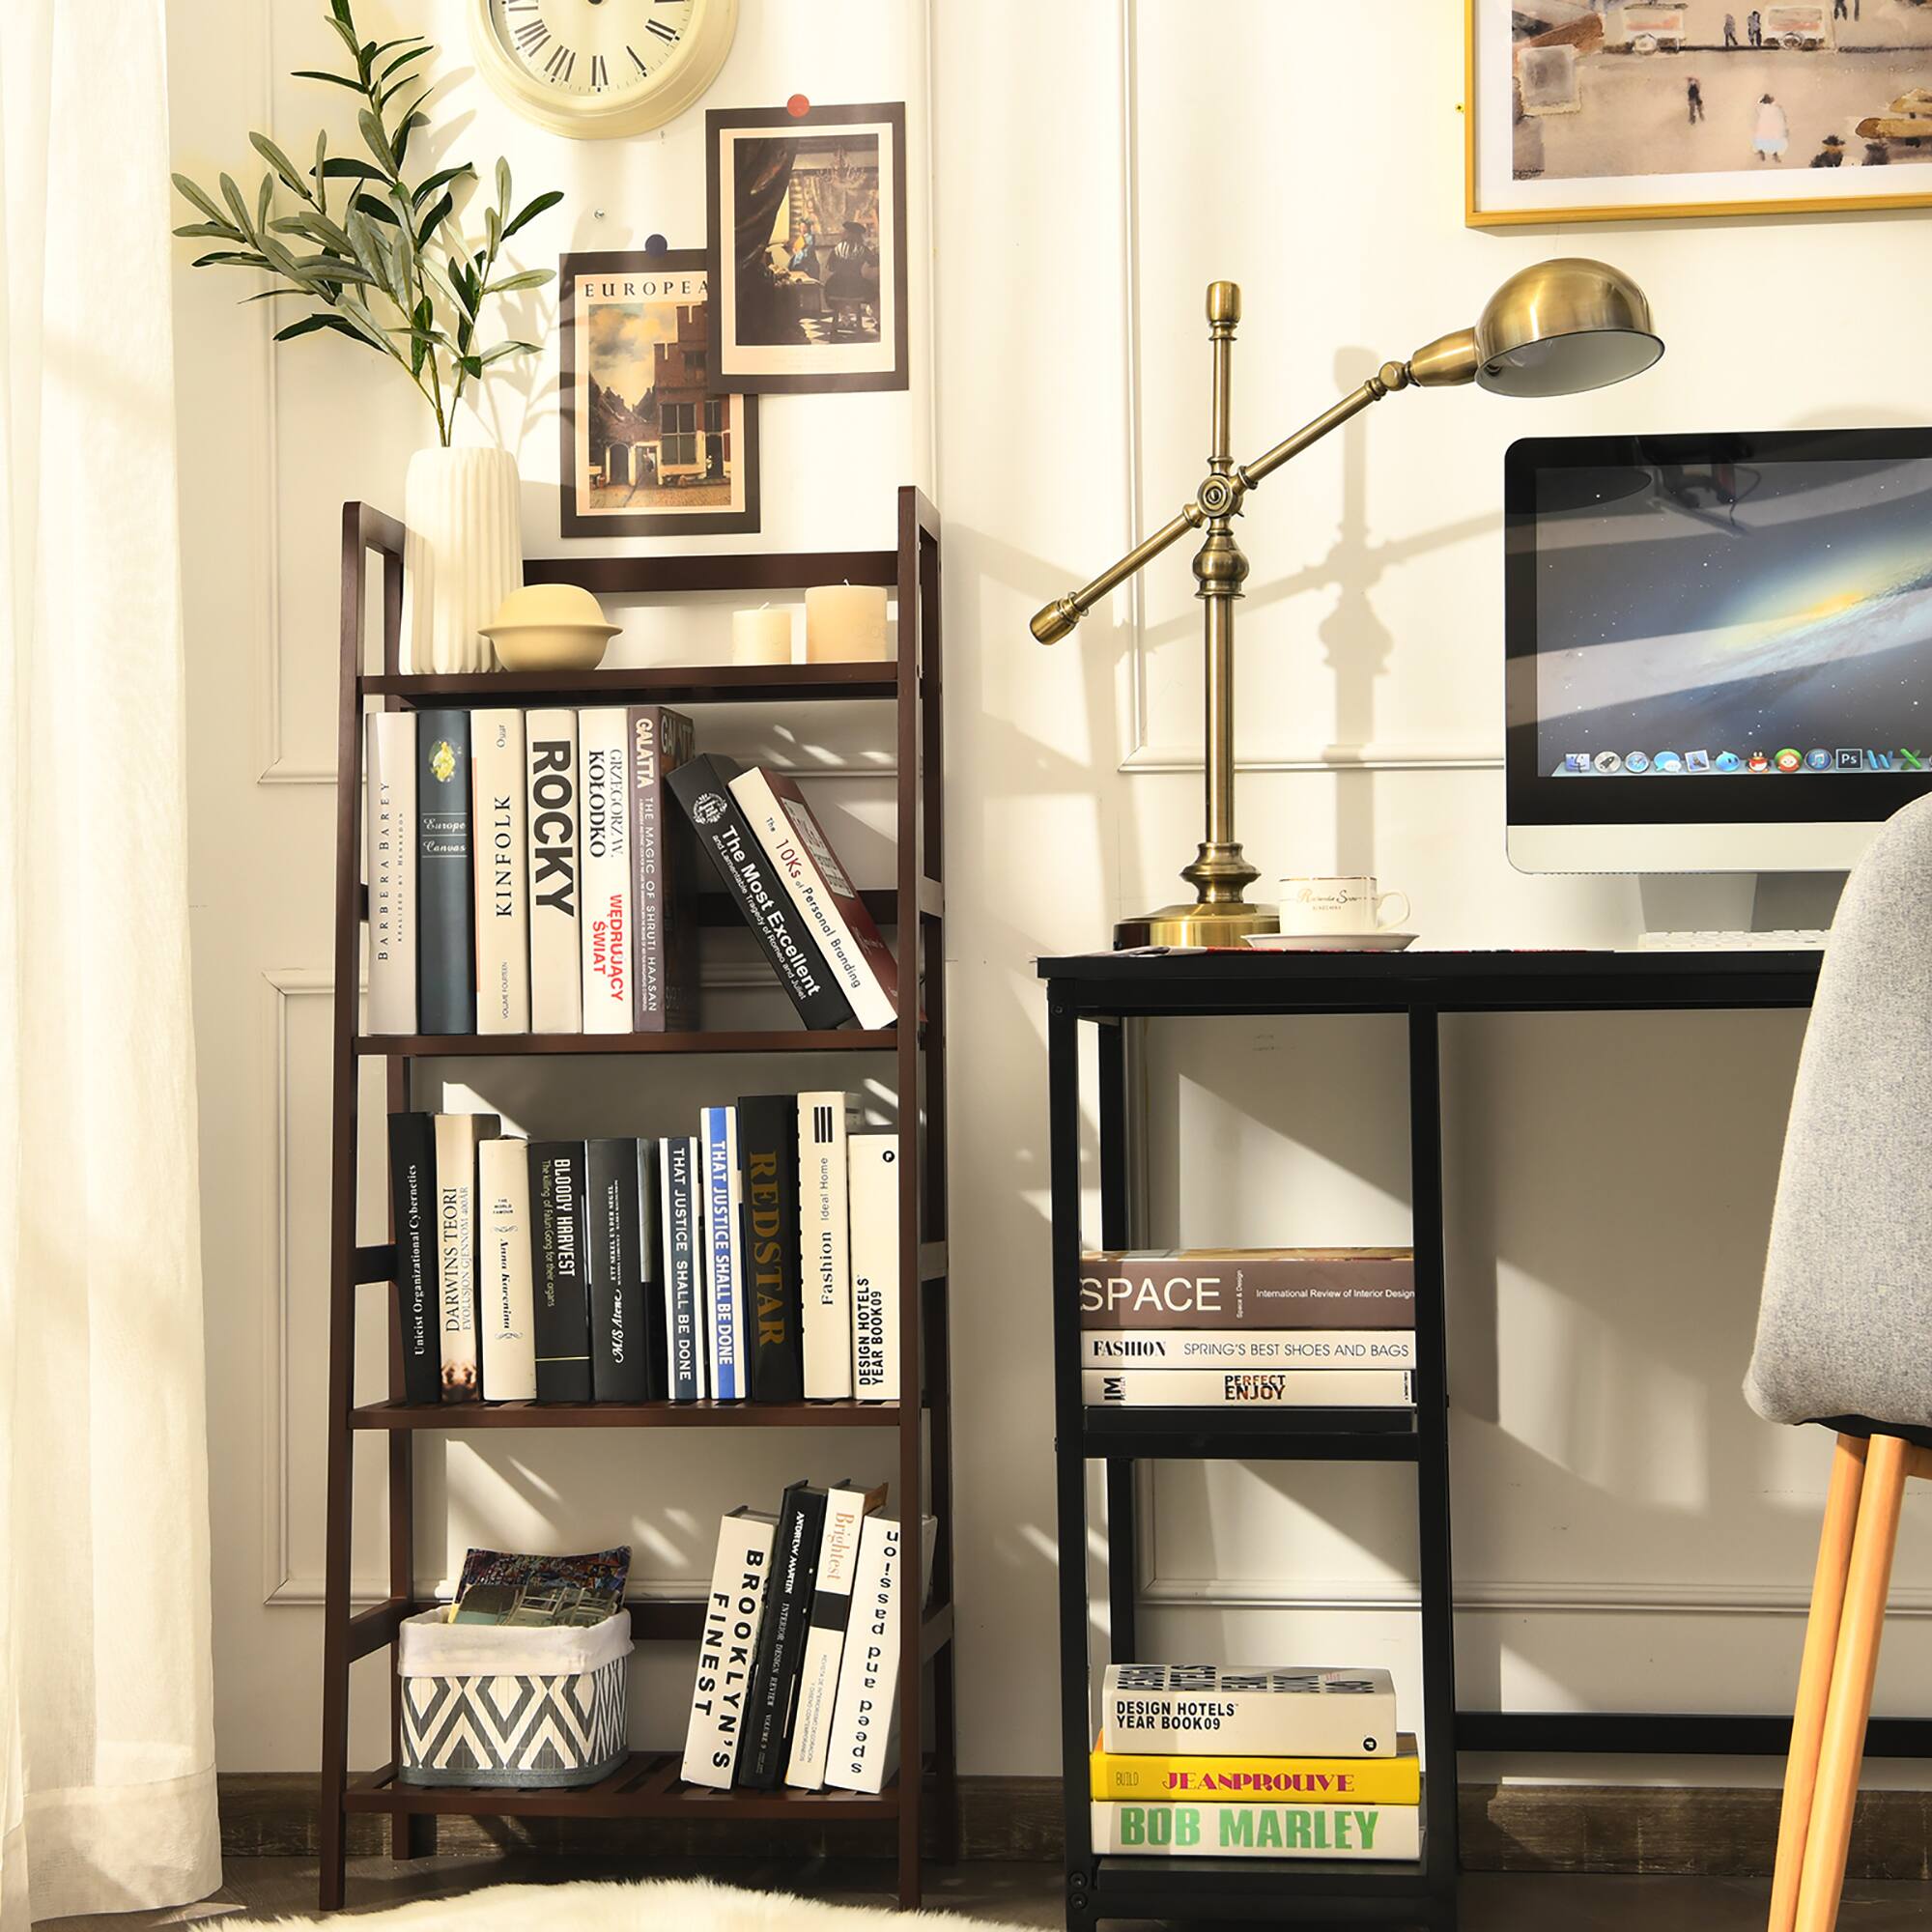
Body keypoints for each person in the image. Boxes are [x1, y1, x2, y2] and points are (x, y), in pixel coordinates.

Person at [1753, 92, 1789, 161]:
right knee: (1766, 138)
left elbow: (1781, 115)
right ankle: (1766, 153)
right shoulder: (1765, 107)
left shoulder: (1773, 107)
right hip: (1767, 126)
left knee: (1773, 139)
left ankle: (1773, 155)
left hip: (1771, 127)